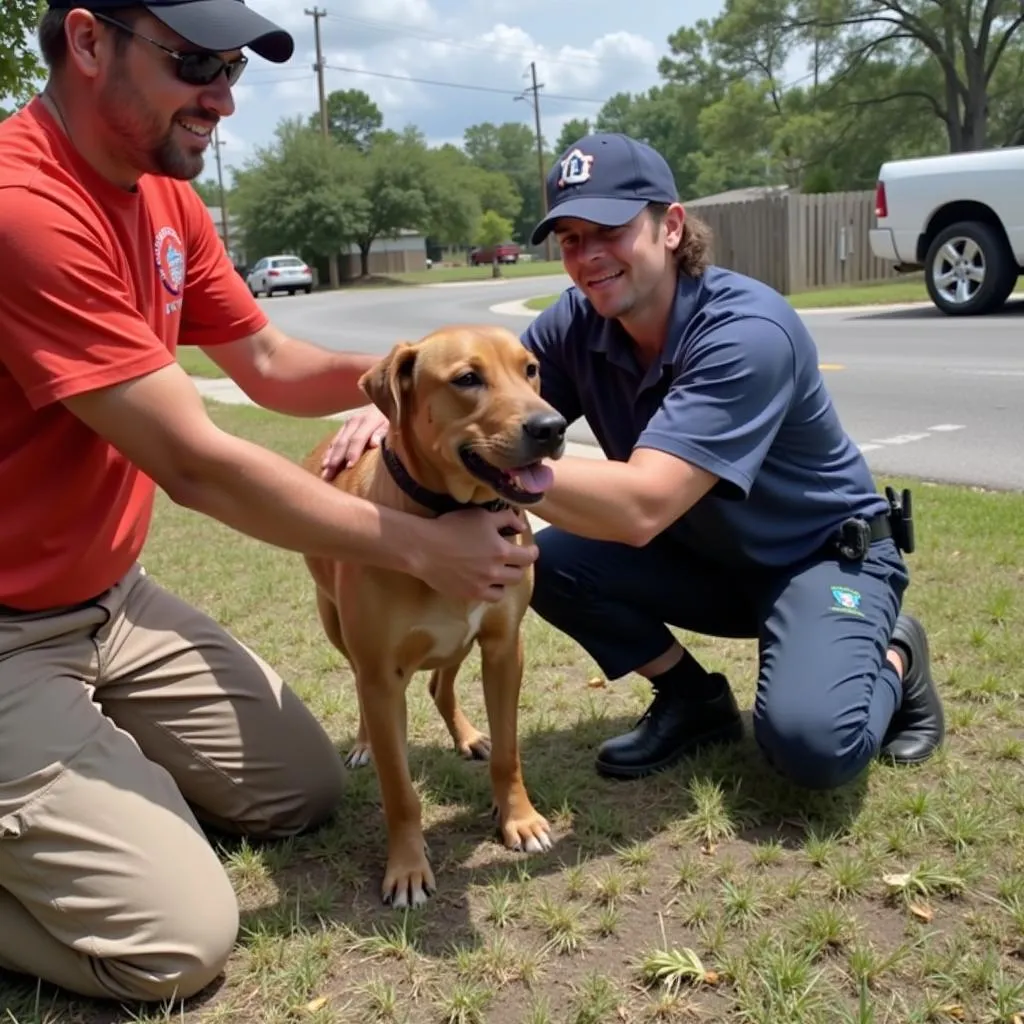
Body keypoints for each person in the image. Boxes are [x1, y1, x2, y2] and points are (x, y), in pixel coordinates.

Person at [0, 0, 535, 1006]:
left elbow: (269, 361)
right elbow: (197, 464)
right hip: (4, 631)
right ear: (84, 41)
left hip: (107, 603)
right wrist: (419, 546)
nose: (223, 97)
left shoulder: (163, 197)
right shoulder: (21, 206)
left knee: (302, 791)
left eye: (235, 68)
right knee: (175, 943)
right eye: (195, 61)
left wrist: (411, 389)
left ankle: (85, 767)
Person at [325, 131, 945, 794]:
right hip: (707, 560)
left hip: (818, 558)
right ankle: (692, 699)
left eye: (610, 230)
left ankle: (895, 652)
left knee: (812, 746)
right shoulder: (577, 322)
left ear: (670, 226)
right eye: (569, 239)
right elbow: (495, 403)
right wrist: (401, 419)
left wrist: (494, 468)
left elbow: (644, 505)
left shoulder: (746, 332)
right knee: (547, 561)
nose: (589, 257)